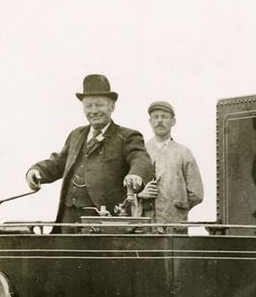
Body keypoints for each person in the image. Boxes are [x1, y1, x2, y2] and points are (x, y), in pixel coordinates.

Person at [26, 74, 153, 227]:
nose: (93, 111)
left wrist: (135, 174)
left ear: (112, 106)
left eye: (99, 105)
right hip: (68, 219)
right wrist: (37, 171)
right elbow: (59, 162)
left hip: (105, 221)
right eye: (88, 106)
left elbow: (140, 158)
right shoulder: (76, 135)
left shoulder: (126, 136)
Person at [136, 100, 204, 229]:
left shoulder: (183, 153)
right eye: (155, 117)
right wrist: (140, 195)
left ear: (173, 121)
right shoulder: (140, 152)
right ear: (150, 122)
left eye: (164, 117)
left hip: (174, 225)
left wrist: (177, 207)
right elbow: (126, 190)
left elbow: (196, 194)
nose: (159, 121)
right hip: (145, 225)